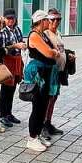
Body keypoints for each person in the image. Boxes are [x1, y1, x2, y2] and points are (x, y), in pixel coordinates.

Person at [24, 10, 63, 153]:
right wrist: (54, 52)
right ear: (41, 22)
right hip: (38, 75)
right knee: (38, 106)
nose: (50, 22)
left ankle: (38, 133)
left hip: (46, 73)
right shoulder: (34, 35)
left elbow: (55, 50)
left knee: (44, 105)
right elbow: (49, 52)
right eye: (47, 20)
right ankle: (32, 137)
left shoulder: (42, 35)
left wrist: (54, 52)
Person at [42, 9, 70, 138]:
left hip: (58, 71)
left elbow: (61, 49)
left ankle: (48, 122)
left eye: (58, 19)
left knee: (54, 98)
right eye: (53, 19)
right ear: (47, 20)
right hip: (49, 72)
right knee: (47, 98)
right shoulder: (45, 34)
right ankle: (43, 125)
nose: (56, 22)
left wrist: (68, 55)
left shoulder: (58, 33)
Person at [0, 9, 26, 126]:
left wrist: (23, 44)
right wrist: (15, 45)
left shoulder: (17, 29)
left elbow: (21, 41)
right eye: (8, 18)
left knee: (13, 88)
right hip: (7, 61)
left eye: (12, 18)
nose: (11, 20)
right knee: (5, 89)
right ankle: (3, 115)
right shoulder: (2, 31)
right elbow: (1, 49)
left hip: (17, 60)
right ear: (4, 19)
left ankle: (9, 113)